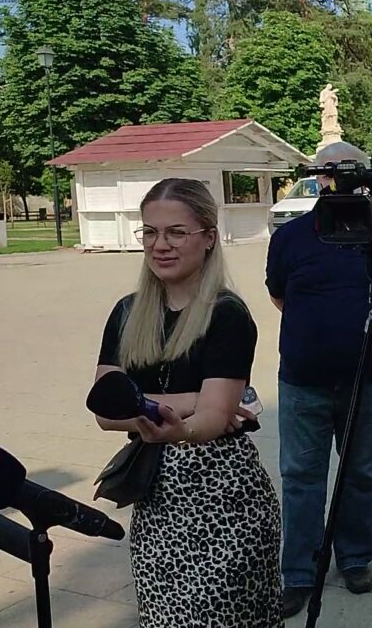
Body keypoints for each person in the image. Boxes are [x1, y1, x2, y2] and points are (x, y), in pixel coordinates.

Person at [94, 178, 282, 627]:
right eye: (150, 232)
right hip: (155, 499)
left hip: (223, 502)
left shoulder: (226, 314)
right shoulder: (127, 312)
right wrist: (196, 397)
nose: (160, 245)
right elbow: (105, 409)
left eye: (177, 232)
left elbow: (213, 420)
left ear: (209, 237)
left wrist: (181, 420)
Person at [266, 141, 372, 617]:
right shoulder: (291, 236)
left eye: (345, 171)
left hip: (371, 375)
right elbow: (279, 295)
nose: (336, 180)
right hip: (303, 378)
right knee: (300, 477)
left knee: (360, 472)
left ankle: (355, 557)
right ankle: (299, 572)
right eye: (327, 171)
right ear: (318, 177)